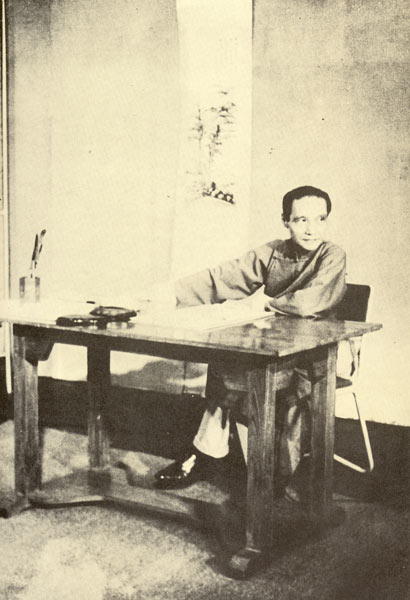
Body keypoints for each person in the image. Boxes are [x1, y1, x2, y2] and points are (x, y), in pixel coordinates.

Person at [153, 185, 347, 492]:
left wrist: (267, 305)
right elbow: (226, 276)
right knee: (225, 364)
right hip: (276, 348)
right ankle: (205, 453)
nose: (312, 229)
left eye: (320, 219)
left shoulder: (332, 255)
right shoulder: (274, 252)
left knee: (281, 392)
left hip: (314, 357)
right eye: (301, 220)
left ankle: (268, 475)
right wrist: (170, 294)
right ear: (286, 221)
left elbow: (311, 302)